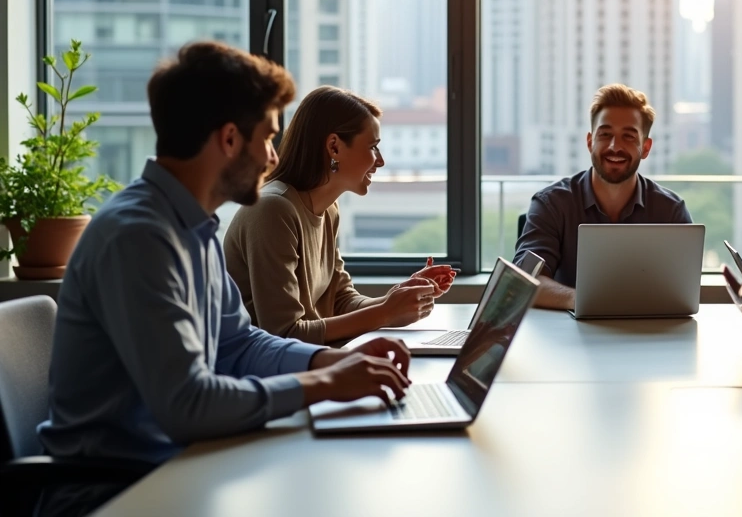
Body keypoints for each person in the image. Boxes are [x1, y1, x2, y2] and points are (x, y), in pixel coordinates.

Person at [37, 43, 417, 513]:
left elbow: (238, 344)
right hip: (118, 490)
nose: (273, 157)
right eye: (268, 138)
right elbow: (188, 404)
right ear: (230, 139)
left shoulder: (192, 227)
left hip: (181, 465)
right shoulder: (137, 238)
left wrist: (329, 360)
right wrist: (324, 384)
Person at [224, 86, 455, 344]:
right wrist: (386, 312)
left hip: (304, 361)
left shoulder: (328, 210)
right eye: (373, 147)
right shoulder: (272, 210)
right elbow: (285, 334)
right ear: (334, 147)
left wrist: (398, 297)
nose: (380, 161)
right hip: (256, 367)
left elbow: (342, 301)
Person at [514, 84, 692, 310]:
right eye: (605, 134)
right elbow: (525, 280)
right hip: (567, 328)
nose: (614, 146)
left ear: (646, 148)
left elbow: (683, 290)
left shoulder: (671, 210)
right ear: (590, 142)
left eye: (628, 136)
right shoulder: (551, 204)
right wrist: (582, 301)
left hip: (647, 328)